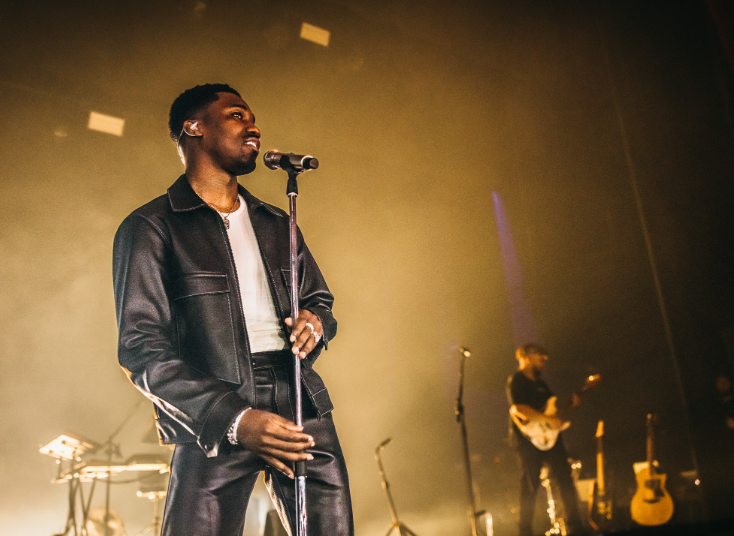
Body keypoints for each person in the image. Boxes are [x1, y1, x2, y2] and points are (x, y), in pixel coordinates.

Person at [112, 83, 353, 535]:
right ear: (194, 127)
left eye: (253, 118)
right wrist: (234, 419)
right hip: (215, 406)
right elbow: (141, 349)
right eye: (237, 115)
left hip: (297, 396)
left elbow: (319, 300)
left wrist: (316, 322)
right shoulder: (150, 227)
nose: (253, 127)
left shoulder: (277, 222)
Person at [506, 343, 583, 536]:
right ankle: (525, 531)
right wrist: (546, 419)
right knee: (530, 485)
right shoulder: (517, 380)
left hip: (550, 438)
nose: (543, 363)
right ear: (527, 357)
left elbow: (552, 413)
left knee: (565, 479)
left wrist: (569, 406)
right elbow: (518, 408)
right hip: (527, 440)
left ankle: (576, 527)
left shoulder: (542, 385)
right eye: (540, 359)